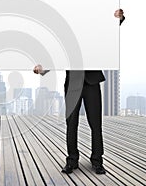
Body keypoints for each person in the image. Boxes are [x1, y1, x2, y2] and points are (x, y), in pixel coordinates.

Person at [34, 9, 125, 174]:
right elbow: (55, 57)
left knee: (95, 125)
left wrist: (119, 19)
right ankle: (72, 161)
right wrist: (42, 69)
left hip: (91, 83)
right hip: (73, 84)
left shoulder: (94, 33)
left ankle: (97, 161)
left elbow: (108, 34)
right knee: (71, 124)